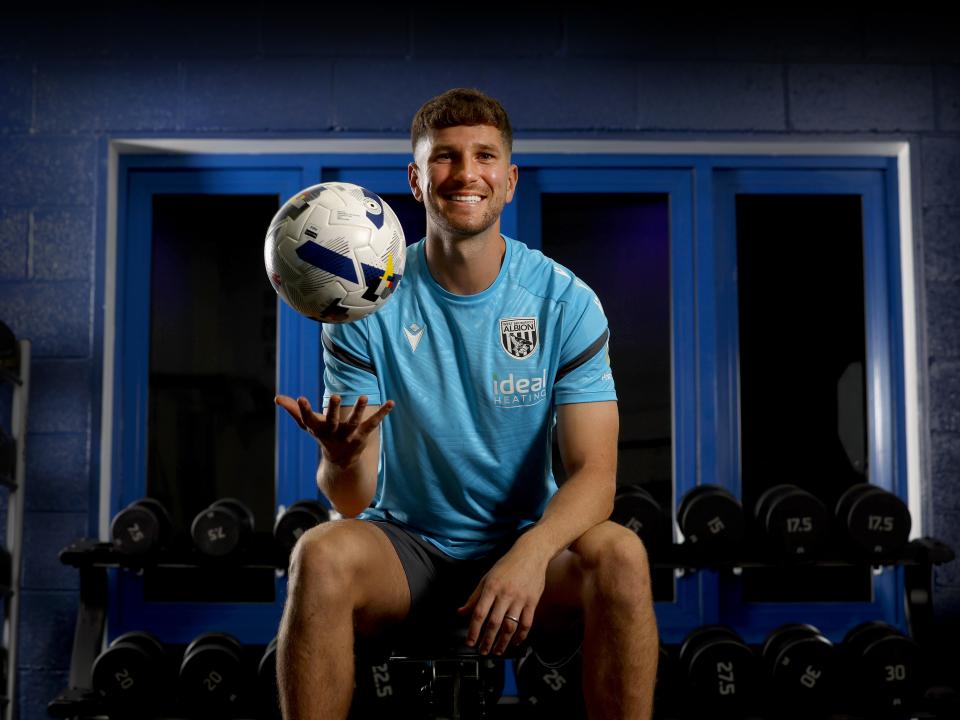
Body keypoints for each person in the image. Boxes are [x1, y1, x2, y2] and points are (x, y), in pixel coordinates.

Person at [274, 88, 658, 720]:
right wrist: (340, 458)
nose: (465, 172)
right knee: (317, 554)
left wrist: (530, 555)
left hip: (525, 540)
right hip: (407, 546)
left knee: (622, 555)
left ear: (509, 180)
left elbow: (596, 477)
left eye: (484, 156)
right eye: (445, 157)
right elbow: (353, 500)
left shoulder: (565, 302)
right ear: (416, 180)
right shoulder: (364, 303)